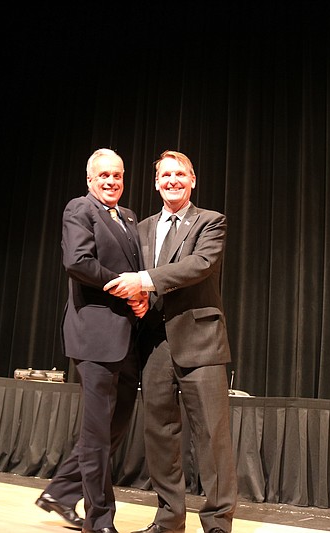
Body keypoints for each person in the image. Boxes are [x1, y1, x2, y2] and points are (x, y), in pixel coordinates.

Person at [104, 150, 237, 533]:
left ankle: (216, 525)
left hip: (201, 342)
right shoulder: (141, 227)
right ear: (156, 182)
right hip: (154, 343)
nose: (172, 180)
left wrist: (143, 281)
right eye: (165, 175)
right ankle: (168, 520)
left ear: (192, 180)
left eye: (180, 174)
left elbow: (199, 265)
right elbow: (127, 275)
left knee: (212, 438)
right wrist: (136, 296)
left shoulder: (210, 222)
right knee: (160, 435)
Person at [35, 148, 148, 533]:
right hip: (94, 337)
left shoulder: (129, 217)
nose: (112, 181)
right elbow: (78, 262)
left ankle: (61, 492)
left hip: (129, 337)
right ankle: (99, 521)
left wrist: (143, 293)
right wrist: (127, 290)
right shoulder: (79, 209)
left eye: (117, 175)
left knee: (114, 428)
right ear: (90, 180)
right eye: (104, 176)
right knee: (98, 433)